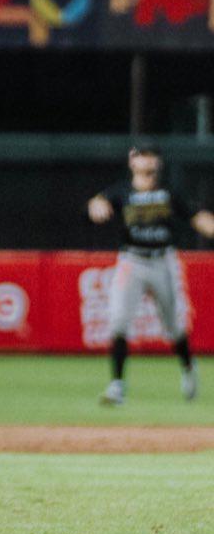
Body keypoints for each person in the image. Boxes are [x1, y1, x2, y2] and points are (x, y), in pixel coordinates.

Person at [88, 144, 214, 405]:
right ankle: (117, 386)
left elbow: (197, 217)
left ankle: (188, 368)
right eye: (142, 157)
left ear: (158, 163)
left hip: (162, 261)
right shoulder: (122, 191)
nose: (148, 164)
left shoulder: (168, 192)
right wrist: (96, 204)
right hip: (131, 260)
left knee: (173, 327)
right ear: (133, 161)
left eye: (151, 158)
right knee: (119, 320)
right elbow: (99, 202)